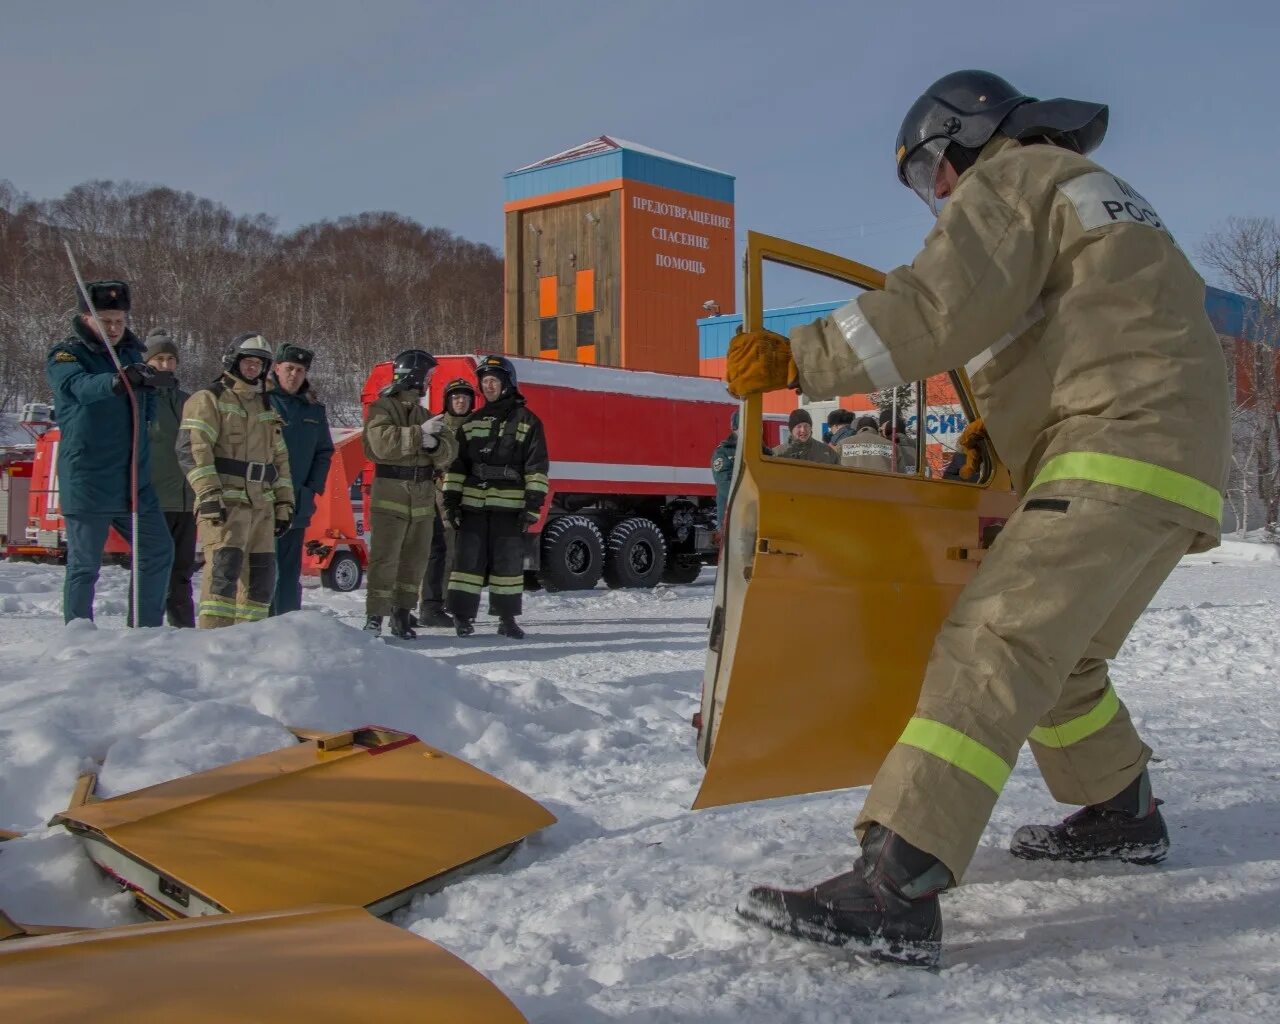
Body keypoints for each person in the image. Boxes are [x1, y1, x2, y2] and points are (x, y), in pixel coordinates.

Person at [724, 70, 1230, 966]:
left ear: (966, 134)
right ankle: (1123, 811)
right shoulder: (1096, 198)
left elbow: (933, 307)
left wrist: (797, 358)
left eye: (928, 171)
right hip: (1173, 458)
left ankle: (898, 882)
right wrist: (999, 452)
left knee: (992, 642)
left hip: (1112, 438)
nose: (937, 196)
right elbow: (1083, 333)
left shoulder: (1013, 177)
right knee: (1062, 660)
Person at [46, 281, 174, 627]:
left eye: (120, 320)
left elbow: (143, 405)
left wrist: (152, 388)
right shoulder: (66, 354)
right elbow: (76, 387)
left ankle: (145, 628)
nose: (115, 328)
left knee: (158, 550)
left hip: (133, 478)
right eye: (106, 321)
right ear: (86, 317)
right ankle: (78, 634)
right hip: (89, 477)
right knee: (85, 564)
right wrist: (117, 382)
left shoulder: (134, 353)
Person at [178, 333, 294, 628]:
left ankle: (251, 644)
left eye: (259, 364)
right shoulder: (208, 399)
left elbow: (280, 460)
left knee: (261, 580)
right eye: (248, 362)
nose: (253, 368)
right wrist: (208, 495)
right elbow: (193, 450)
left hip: (262, 506)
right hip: (226, 503)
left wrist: (284, 504)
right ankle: (215, 643)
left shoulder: (266, 407)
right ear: (234, 361)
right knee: (223, 577)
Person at [443, 355, 548, 640]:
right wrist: (451, 503)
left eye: (493, 381)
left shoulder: (528, 422)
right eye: (484, 381)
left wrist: (532, 506)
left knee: (507, 568)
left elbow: (536, 468)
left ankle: (507, 619)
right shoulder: (472, 422)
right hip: (472, 508)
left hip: (510, 509)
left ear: (507, 383)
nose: (488, 386)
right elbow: (457, 466)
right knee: (466, 565)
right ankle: (462, 618)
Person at [361, 349, 458, 638]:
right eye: (427, 375)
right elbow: (379, 445)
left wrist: (433, 446)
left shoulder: (426, 414)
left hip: (422, 499)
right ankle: (375, 617)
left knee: (415, 560)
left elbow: (450, 450)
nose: (429, 381)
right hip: (390, 495)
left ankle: (402, 615)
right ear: (414, 375)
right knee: (385, 558)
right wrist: (418, 435)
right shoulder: (381, 408)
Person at [267, 343, 334, 615]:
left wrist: (311, 489)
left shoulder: (313, 410)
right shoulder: (261, 401)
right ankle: (258, 626)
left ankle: (286, 624)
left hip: (297, 500)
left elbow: (324, 451)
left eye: (300, 370)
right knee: (262, 568)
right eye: (289, 368)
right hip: (263, 499)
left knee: (289, 569)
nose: (294, 375)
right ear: (276, 368)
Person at [141, 327, 196, 627]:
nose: (165, 364)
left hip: (187, 501)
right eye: (159, 358)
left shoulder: (189, 401)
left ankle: (183, 630)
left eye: (170, 359)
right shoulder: (141, 400)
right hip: (154, 500)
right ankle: (142, 628)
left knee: (182, 571)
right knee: (151, 568)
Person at [416, 377, 476, 628]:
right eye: (455, 397)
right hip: (441, 494)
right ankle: (432, 605)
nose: (460, 401)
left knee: (466, 555)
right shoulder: (437, 426)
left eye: (464, 396)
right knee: (442, 550)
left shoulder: (478, 425)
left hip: (471, 495)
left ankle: (458, 606)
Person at [771, 409, 838, 465]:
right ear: (791, 429)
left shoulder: (827, 452)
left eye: (806, 426)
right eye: (799, 426)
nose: (803, 430)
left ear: (811, 428)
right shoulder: (777, 453)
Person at [711, 409, 739, 528]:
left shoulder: (761, 450)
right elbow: (724, 483)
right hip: (731, 520)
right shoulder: (723, 452)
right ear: (734, 428)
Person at [879, 409, 918, 474]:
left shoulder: (914, 446)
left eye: (892, 424)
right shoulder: (879, 446)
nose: (890, 427)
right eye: (887, 425)